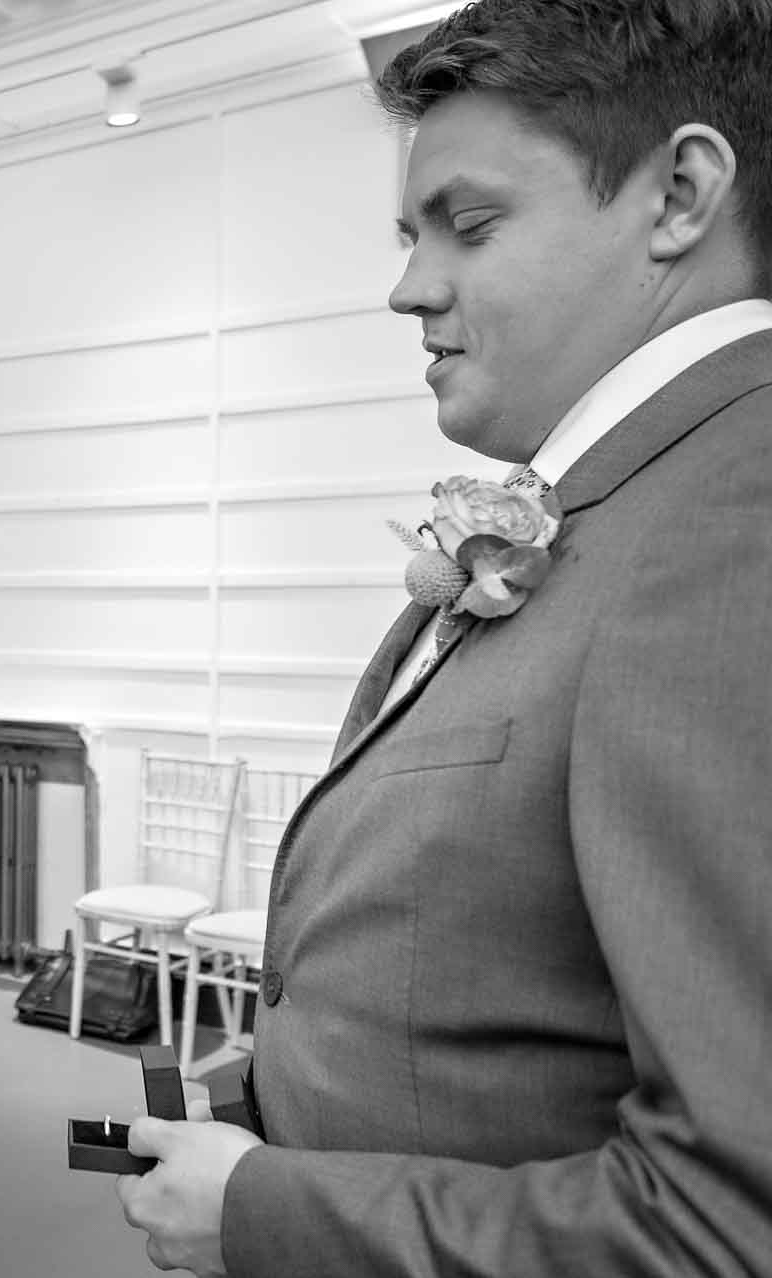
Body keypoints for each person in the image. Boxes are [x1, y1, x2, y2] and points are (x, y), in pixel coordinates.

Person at [115, 3, 772, 1274]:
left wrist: (265, 1211)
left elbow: (728, 1223)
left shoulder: (732, 525)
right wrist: (284, 1098)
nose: (409, 287)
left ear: (681, 193)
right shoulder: (616, 503)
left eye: (469, 224)